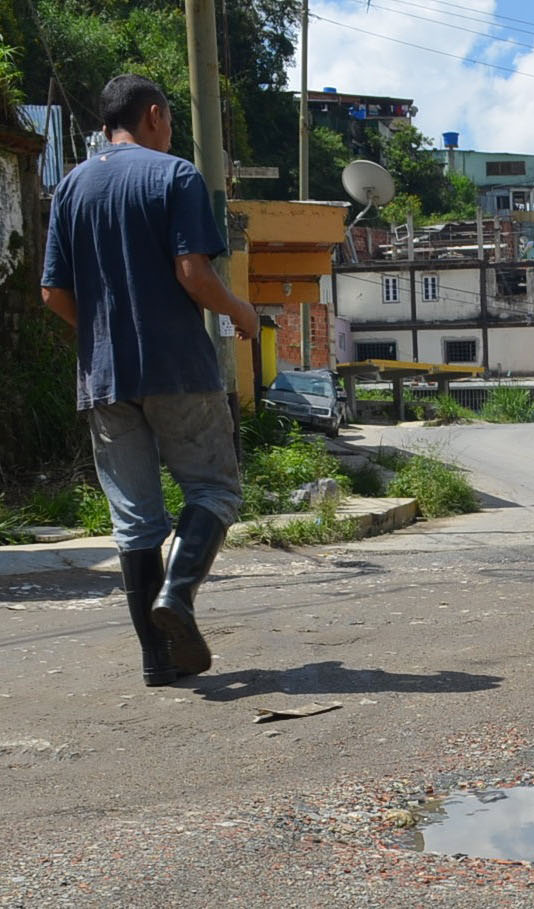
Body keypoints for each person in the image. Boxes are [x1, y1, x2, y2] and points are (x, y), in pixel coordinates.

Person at [40, 74, 259, 685]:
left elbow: (53, 292)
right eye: (170, 121)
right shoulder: (174, 175)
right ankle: (179, 597)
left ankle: (157, 661)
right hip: (178, 368)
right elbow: (193, 272)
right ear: (155, 115)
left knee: (135, 519)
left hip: (104, 377)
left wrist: (103, 333)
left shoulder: (69, 188)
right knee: (214, 491)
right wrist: (239, 310)